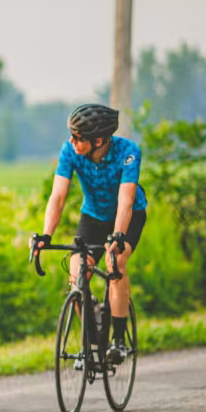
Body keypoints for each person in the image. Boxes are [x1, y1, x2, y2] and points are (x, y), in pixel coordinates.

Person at [31, 103, 146, 364]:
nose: (71, 141)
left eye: (77, 137)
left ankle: (118, 341)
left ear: (98, 140)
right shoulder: (69, 151)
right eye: (71, 135)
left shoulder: (128, 152)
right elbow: (58, 196)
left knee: (116, 263)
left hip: (129, 215)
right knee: (77, 273)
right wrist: (46, 235)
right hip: (93, 216)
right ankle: (92, 345)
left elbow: (126, 200)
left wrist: (118, 236)